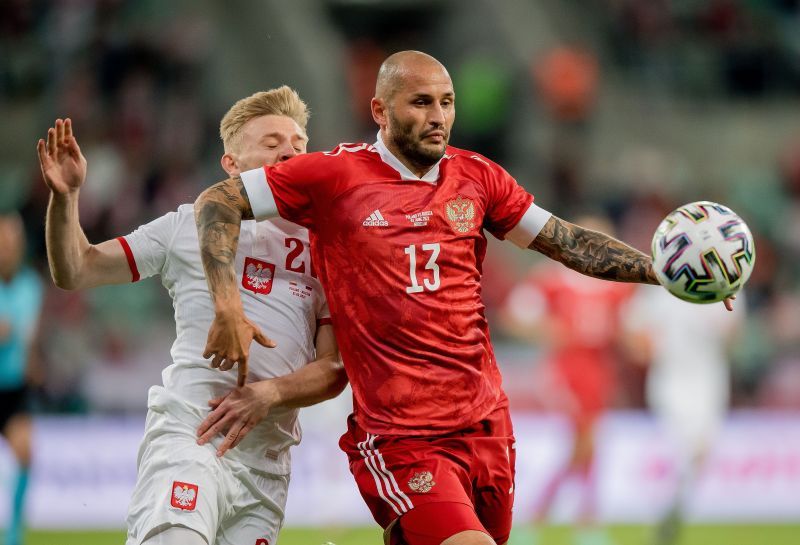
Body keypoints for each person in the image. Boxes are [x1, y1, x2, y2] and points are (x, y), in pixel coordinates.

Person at [192, 51, 732, 545]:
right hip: (402, 436)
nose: (438, 116)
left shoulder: (478, 178)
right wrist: (227, 304)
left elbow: (567, 242)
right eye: (421, 102)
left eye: (446, 103)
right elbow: (218, 201)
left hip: (485, 423)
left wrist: (660, 271)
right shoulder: (334, 175)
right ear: (380, 110)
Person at [36, 86, 347, 545]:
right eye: (271, 143)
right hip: (190, 437)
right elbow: (77, 269)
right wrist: (66, 200)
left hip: (266, 464)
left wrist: (269, 393)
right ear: (232, 164)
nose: (290, 153)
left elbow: (333, 369)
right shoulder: (185, 224)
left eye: (299, 145)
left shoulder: (327, 246)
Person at [502, 213, 633, 545]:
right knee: (585, 439)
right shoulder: (553, 278)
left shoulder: (613, 284)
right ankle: (568, 520)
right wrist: (550, 332)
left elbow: (625, 330)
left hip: (598, 369)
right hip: (565, 368)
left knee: (589, 444)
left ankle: (564, 521)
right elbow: (514, 316)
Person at [621, 285, 743, 545]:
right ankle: (661, 507)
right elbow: (633, 328)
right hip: (670, 376)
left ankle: (673, 507)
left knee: (702, 449)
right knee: (682, 446)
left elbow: (733, 334)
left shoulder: (726, 284)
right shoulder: (660, 283)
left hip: (709, 377)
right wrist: (645, 346)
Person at [0, 212, 44, 545]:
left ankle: (14, 534)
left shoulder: (32, 287)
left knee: (26, 454)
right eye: (3, 241)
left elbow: (29, 338)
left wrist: (33, 363)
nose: (8, 248)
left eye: (13, 242)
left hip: (14, 389)